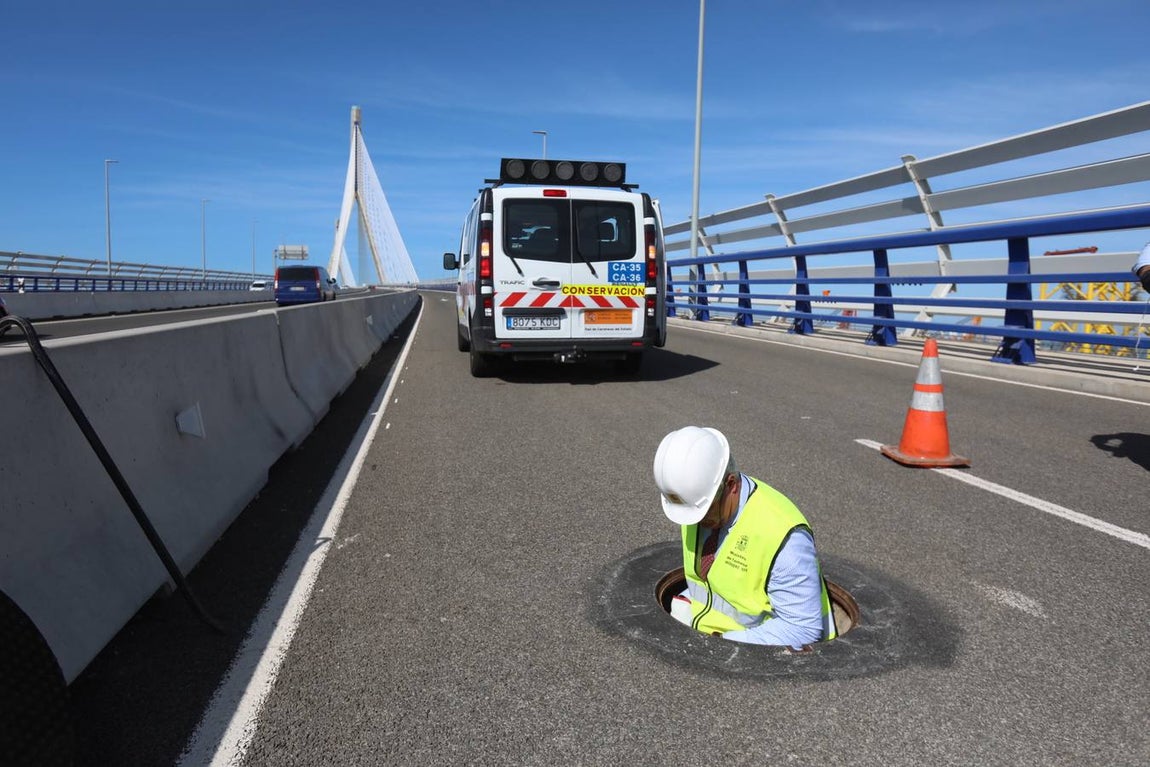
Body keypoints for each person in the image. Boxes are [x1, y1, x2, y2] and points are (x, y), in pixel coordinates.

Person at [653, 426, 836, 648]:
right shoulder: (698, 501)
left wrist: (719, 645)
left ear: (731, 485)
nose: (696, 523)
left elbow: (802, 628)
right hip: (710, 634)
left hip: (757, 657)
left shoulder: (783, 536)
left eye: (704, 512)